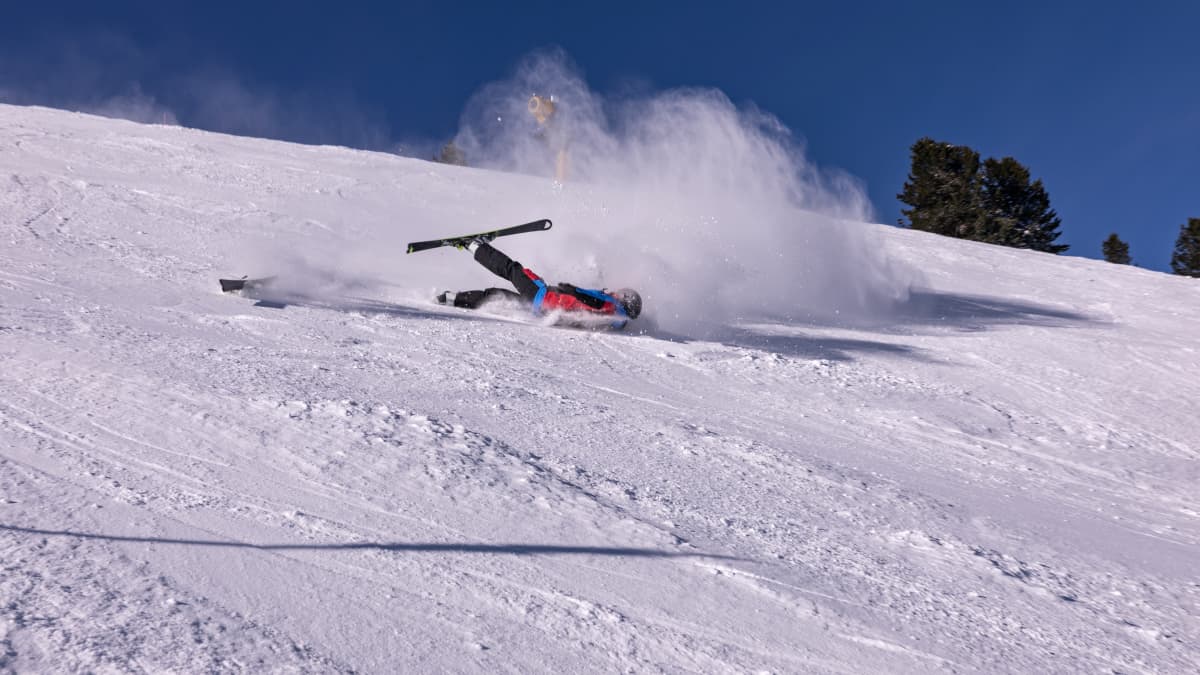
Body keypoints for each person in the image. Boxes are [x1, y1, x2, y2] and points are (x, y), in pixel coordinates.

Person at [436, 238, 643, 330]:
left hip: (542, 296)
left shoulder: (611, 306)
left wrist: (574, 290)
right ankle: (452, 299)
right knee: (497, 295)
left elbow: (595, 302)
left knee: (512, 269)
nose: (617, 292)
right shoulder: (614, 321)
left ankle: (475, 246)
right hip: (539, 309)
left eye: (622, 293)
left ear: (625, 299)